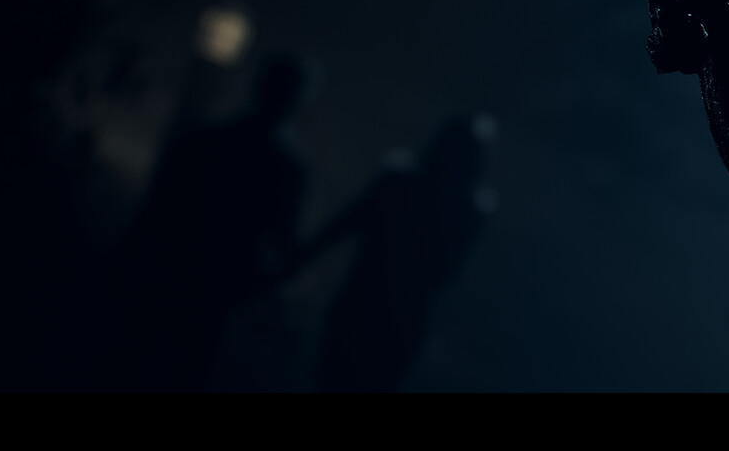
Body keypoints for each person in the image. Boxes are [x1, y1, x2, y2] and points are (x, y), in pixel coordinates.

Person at [94, 54, 318, 391]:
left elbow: (155, 212)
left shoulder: (204, 143)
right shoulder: (288, 167)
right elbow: (283, 238)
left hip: (176, 269)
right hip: (215, 281)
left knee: (139, 358)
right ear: (297, 101)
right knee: (181, 365)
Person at [287, 114, 497, 392]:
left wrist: (295, 262)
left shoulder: (401, 187)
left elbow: (343, 225)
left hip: (363, 313)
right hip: (392, 324)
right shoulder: (466, 213)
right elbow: (443, 274)